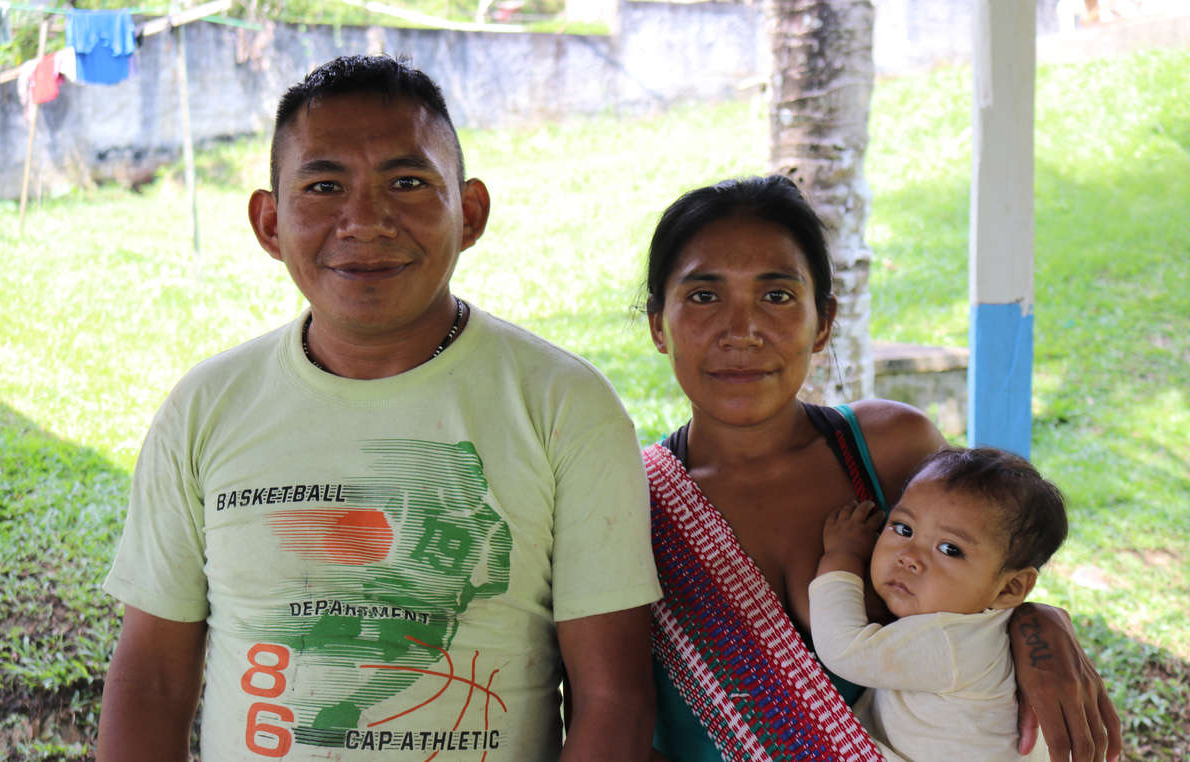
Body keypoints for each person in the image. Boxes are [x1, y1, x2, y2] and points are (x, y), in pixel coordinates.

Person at [97, 54, 663, 761]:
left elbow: (613, 698)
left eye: (407, 182)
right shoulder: (205, 408)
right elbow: (150, 681)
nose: (365, 221)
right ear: (270, 223)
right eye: (325, 185)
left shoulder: (566, 407)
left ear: (472, 212)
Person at [641, 174, 1122, 762]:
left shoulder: (890, 449)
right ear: (657, 325)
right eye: (703, 296)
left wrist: (1037, 624)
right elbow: (603, 710)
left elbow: (995, 567)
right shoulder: (629, 499)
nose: (742, 332)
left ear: (823, 322)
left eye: (777, 296)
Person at [810, 447, 1069, 761]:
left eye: (949, 549)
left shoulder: (952, 642)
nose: (909, 556)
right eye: (903, 529)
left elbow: (844, 650)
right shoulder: (978, 624)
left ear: (1010, 588)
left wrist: (843, 556)